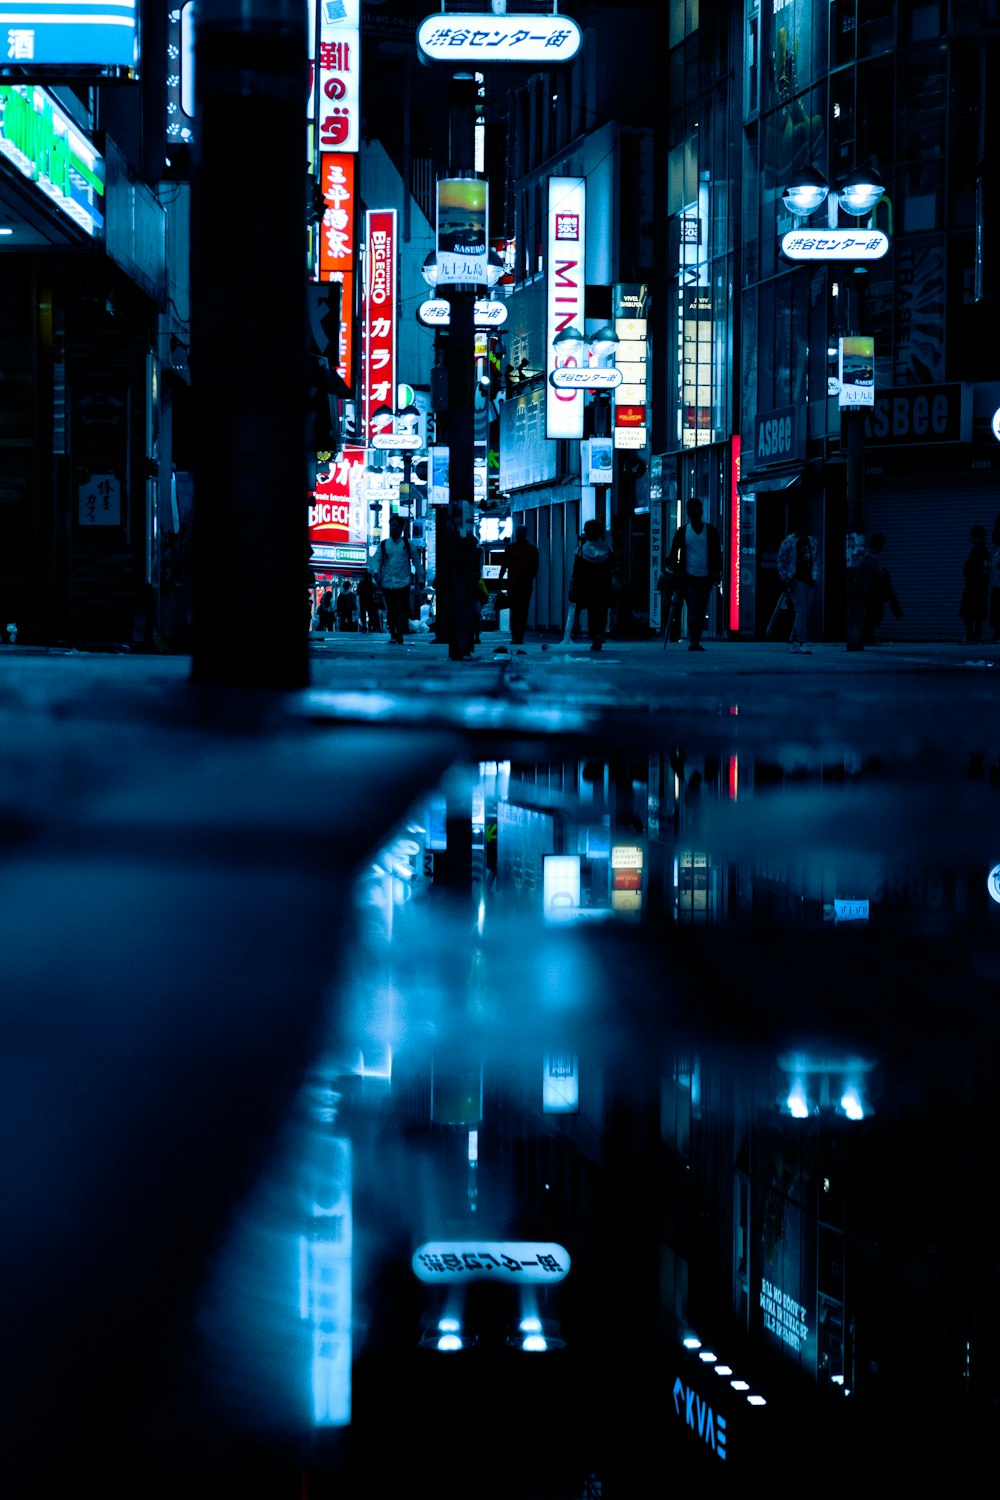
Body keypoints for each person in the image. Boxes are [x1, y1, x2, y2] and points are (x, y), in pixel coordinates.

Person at [665, 497, 723, 652]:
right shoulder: (683, 532)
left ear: (701, 512)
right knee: (693, 607)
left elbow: (717, 554)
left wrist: (716, 572)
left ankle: (695, 639)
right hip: (689, 576)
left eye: (697, 510)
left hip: (705, 575)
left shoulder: (710, 531)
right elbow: (673, 554)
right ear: (689, 513)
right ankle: (694, 640)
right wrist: (676, 570)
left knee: (699, 608)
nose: (696, 513)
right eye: (693, 510)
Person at [569, 519, 616, 652]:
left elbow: (576, 572)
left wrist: (573, 589)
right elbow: (613, 569)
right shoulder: (608, 550)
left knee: (592, 613)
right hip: (604, 587)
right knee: (602, 612)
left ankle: (595, 638)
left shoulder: (580, 551)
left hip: (587, 588)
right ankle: (601, 633)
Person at [776, 518, 819, 654]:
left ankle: (792, 639)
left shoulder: (813, 541)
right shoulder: (789, 542)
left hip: (809, 580)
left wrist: (816, 577)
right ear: (801, 526)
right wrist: (786, 578)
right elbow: (780, 560)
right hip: (796, 580)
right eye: (808, 523)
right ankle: (802, 641)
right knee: (801, 611)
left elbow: (815, 560)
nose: (810, 526)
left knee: (805, 611)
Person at [498, 524, 540, 647]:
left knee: (516, 610)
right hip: (524, 584)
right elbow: (535, 568)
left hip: (514, 584)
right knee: (522, 610)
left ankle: (516, 635)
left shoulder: (510, 548)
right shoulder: (532, 549)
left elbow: (504, 565)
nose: (518, 535)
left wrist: (501, 580)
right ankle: (518, 635)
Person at [375, 515, 414, 644]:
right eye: (392, 526)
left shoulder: (408, 544)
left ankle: (400, 632)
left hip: (403, 581)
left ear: (401, 528)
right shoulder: (384, 545)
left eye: (397, 526)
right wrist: (376, 572)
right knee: (391, 610)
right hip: (388, 583)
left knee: (402, 610)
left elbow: (417, 562)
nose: (394, 528)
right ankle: (393, 633)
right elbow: (377, 560)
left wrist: (420, 577)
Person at [861, 534, 902, 644]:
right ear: (878, 545)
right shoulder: (872, 558)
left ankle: (867, 636)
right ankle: (868, 636)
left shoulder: (865, 555)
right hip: (871, 590)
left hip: (866, 590)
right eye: (882, 546)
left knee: (870, 613)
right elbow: (881, 573)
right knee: (874, 614)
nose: (882, 549)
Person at [959, 524, 991, 643]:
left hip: (975, 586)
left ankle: (972, 636)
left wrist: (971, 575)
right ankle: (974, 635)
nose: (970, 538)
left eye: (972, 536)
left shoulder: (980, 551)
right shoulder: (983, 551)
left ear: (977, 536)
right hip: (978, 586)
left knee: (969, 611)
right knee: (976, 612)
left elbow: (972, 569)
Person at [356, 569, 381, 633]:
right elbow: (375, 593)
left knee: (363, 613)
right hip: (370, 600)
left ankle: (364, 625)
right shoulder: (371, 584)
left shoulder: (360, 584)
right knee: (371, 613)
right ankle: (370, 625)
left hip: (362, 600)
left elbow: (358, 593)